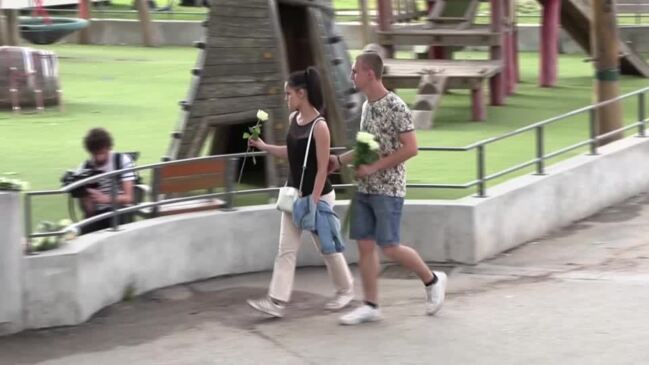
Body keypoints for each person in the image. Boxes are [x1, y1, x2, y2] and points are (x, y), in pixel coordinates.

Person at [329, 52, 448, 325]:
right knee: (365, 247)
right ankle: (371, 305)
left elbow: (411, 148)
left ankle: (432, 281)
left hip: (388, 189)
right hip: (365, 188)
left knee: (390, 247)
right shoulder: (367, 106)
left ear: (370, 73)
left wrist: (374, 167)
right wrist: (340, 160)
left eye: (355, 71)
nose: (352, 76)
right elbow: (365, 146)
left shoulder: (396, 106)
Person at [246, 67, 355, 318]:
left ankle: (346, 289)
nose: (286, 98)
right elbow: (290, 151)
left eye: (288, 94)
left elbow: (322, 169)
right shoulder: (296, 120)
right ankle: (276, 301)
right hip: (294, 197)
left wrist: (314, 202)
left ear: (302, 93)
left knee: (327, 248)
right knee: (285, 249)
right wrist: (263, 146)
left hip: (317, 196)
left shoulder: (320, 127)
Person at [77, 128, 136, 234]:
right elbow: (89, 211)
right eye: (95, 154)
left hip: (120, 210)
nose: (99, 158)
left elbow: (128, 198)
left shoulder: (121, 160)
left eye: (102, 153)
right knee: (80, 232)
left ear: (109, 148)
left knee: (114, 222)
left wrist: (105, 199)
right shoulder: (85, 168)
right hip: (98, 213)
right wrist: (84, 196)